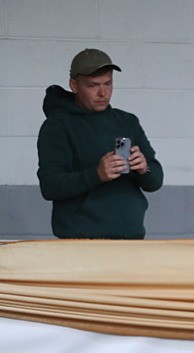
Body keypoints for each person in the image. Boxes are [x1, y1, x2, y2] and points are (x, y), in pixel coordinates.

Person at [37, 48, 164, 239]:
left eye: (108, 83)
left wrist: (144, 169)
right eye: (93, 85)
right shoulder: (58, 126)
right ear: (74, 85)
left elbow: (155, 182)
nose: (103, 93)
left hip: (131, 238)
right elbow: (50, 186)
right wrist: (96, 175)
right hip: (81, 241)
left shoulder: (127, 121)